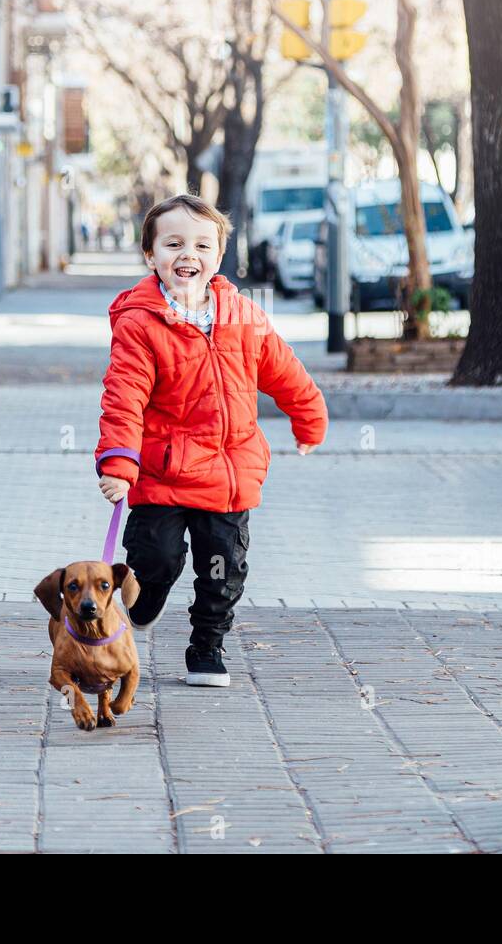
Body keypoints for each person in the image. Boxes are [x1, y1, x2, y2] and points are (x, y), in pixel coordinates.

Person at [96, 194, 328, 686]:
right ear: (151, 255)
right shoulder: (140, 323)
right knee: (155, 555)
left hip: (229, 472)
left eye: (202, 244)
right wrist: (118, 462)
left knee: (223, 570)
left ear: (218, 257)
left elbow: (285, 372)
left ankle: (207, 645)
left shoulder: (243, 315)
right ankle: (150, 592)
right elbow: (124, 395)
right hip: (163, 472)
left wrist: (309, 419)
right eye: (173, 243)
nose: (188, 255)